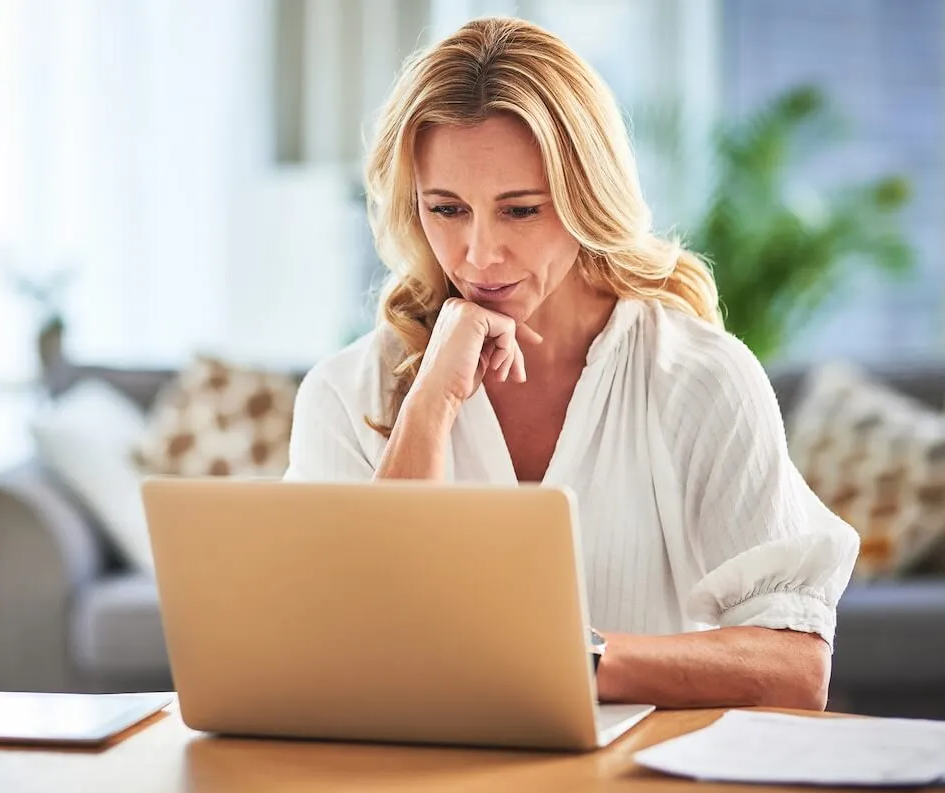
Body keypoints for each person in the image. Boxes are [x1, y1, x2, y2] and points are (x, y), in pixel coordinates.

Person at [282, 16, 858, 711]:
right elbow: (344, 650)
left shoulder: (700, 379)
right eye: (447, 208)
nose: (479, 254)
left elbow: (794, 669)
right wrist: (429, 405)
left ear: (588, 198)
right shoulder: (347, 393)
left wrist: (563, 660)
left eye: (520, 210)